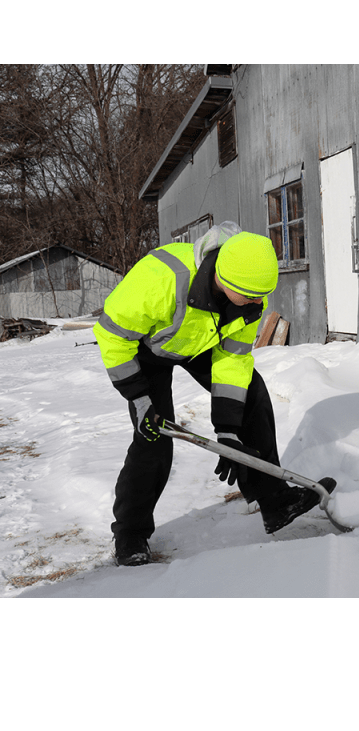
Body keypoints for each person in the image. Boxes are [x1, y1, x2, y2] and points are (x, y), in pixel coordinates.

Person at [94, 221, 335, 566]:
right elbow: (111, 334)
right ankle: (130, 533)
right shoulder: (161, 278)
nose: (257, 302)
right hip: (145, 349)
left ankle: (274, 500)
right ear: (223, 277)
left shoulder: (250, 295)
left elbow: (234, 360)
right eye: (250, 295)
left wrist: (228, 430)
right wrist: (141, 399)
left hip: (200, 344)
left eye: (259, 296)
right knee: (154, 439)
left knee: (252, 392)